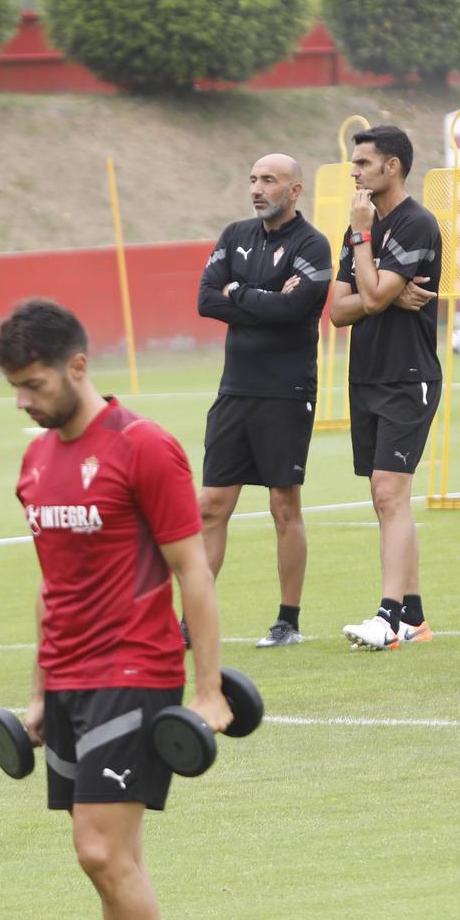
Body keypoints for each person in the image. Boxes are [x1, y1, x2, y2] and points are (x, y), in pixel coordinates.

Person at [0, 298, 230, 920]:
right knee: (104, 861)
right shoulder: (35, 462)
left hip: (135, 669)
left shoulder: (142, 445)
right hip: (67, 678)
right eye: (15, 388)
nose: (23, 402)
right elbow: (50, 586)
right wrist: (38, 694)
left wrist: (208, 690)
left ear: (77, 365)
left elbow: (193, 570)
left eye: (33, 384)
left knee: (101, 850)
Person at [195, 152, 333, 647]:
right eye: (252, 178)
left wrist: (240, 295)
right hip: (235, 389)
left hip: (287, 390)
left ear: (294, 190)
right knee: (211, 504)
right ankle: (195, 622)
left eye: (269, 180)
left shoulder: (313, 247)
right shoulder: (234, 236)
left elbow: (296, 309)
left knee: (283, 504)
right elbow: (206, 299)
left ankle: (287, 622)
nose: (257, 188)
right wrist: (261, 299)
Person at [327, 125, 442, 652]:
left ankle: (388, 617)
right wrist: (385, 291)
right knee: (386, 500)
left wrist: (364, 249)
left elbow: (368, 298)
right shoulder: (362, 225)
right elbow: (340, 309)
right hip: (367, 374)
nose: (354, 172)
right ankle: (414, 618)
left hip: (407, 377)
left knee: (388, 493)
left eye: (363, 163)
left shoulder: (415, 223)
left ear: (391, 166)